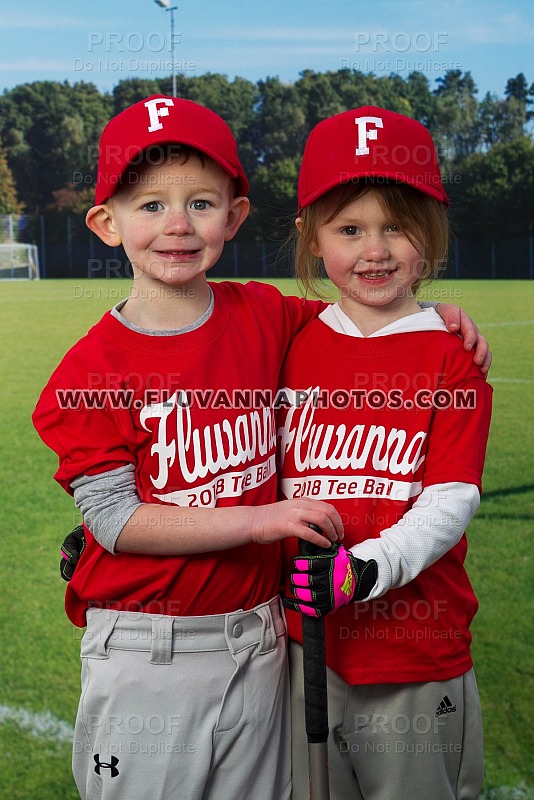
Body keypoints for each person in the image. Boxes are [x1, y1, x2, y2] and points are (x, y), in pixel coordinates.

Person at [34, 95, 488, 800]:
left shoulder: (269, 317)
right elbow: (115, 521)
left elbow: (368, 313)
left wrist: (438, 316)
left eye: (202, 203)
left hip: (264, 641)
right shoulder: (88, 373)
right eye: (149, 205)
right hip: (152, 652)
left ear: (235, 215)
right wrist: (258, 521)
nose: (177, 225)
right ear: (105, 222)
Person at [279, 106, 493, 800]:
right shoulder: (294, 338)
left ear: (430, 233)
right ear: (311, 239)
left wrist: (366, 570)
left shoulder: (449, 355)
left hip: (411, 656)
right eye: (349, 229)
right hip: (301, 653)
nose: (375, 250)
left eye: (397, 226)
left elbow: (450, 499)